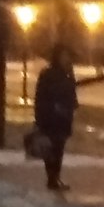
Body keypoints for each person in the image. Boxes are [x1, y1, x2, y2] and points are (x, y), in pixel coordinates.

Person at [32, 43, 78, 192]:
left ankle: (55, 177)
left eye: (68, 56)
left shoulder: (68, 73)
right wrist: (41, 116)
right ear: (57, 56)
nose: (66, 58)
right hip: (51, 118)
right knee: (51, 149)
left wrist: (72, 105)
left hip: (63, 117)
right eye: (63, 55)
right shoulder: (48, 74)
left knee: (59, 149)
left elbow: (71, 94)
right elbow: (41, 96)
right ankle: (52, 178)